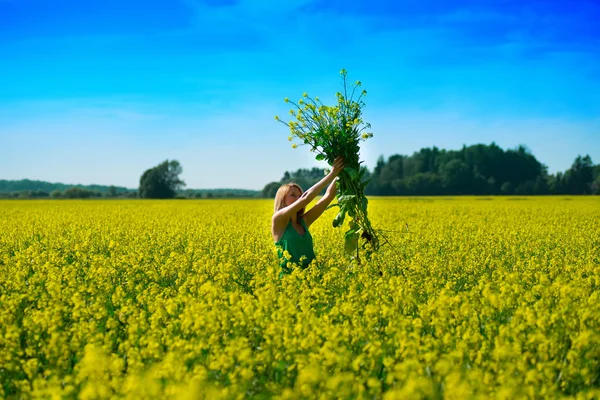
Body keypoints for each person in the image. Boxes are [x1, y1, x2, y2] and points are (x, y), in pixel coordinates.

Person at [271, 157, 345, 277]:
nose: (298, 198)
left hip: (313, 278)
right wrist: (332, 173)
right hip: (290, 281)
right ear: (282, 200)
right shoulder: (278, 220)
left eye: (299, 195)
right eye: (293, 195)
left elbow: (329, 196)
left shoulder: (303, 221)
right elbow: (306, 198)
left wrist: (340, 173)